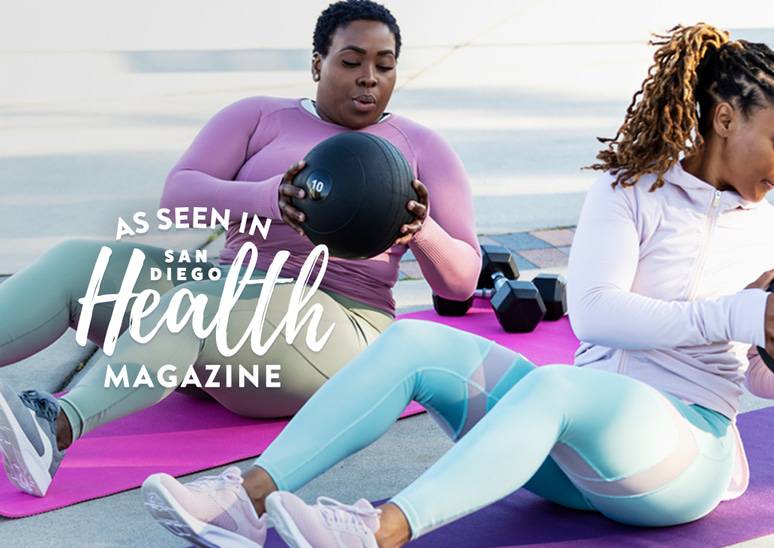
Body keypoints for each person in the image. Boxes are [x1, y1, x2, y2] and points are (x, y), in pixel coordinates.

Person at [140, 23, 774, 548]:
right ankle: (245, 499)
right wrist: (741, 308)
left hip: (680, 458)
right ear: (724, 119)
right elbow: (597, 310)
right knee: (417, 340)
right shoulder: (629, 194)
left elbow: (755, 375)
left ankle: (378, 533)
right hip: (566, 452)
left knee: (556, 388)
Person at [0, 0, 480, 499]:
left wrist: (421, 230)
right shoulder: (259, 117)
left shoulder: (422, 147)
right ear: (318, 63)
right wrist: (266, 198)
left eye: (384, 65)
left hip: (336, 327)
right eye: (351, 61)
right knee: (77, 263)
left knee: (198, 306)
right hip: (227, 296)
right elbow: (178, 197)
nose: (368, 78)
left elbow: (462, 279)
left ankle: (53, 429)